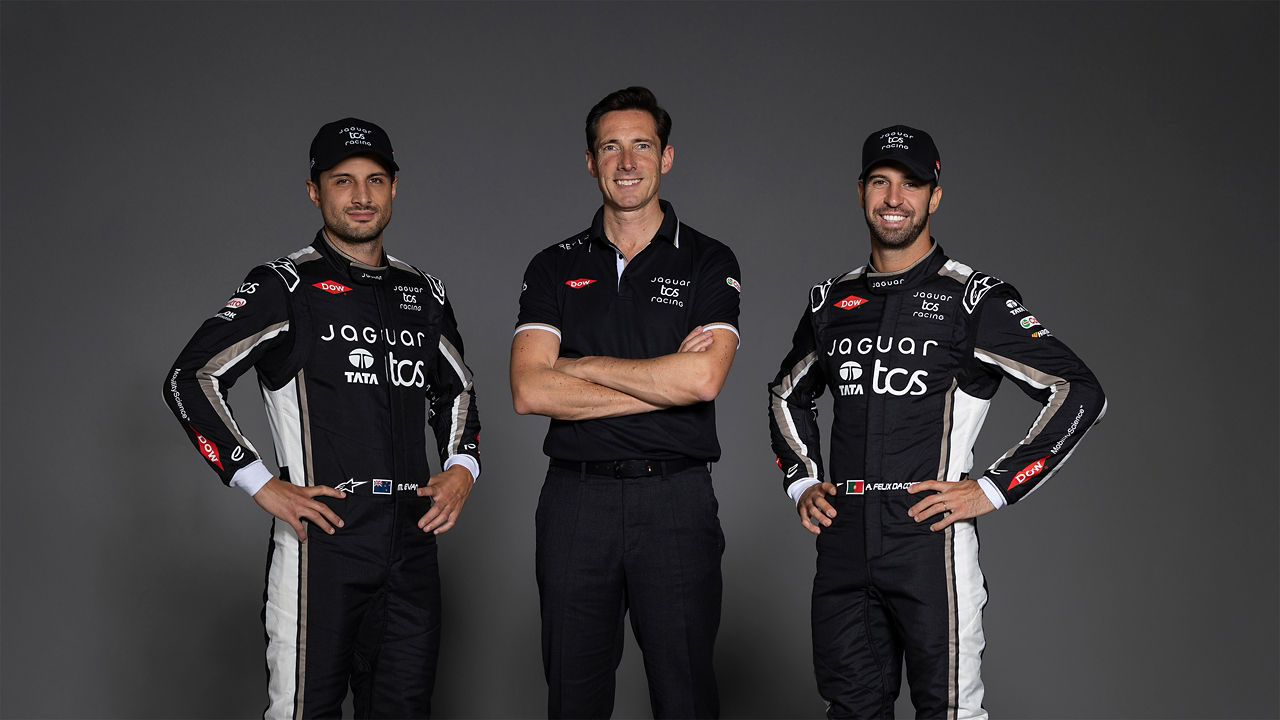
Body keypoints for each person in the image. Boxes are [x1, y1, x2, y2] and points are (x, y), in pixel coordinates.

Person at [767, 125, 1107, 718]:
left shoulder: (973, 297)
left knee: (950, 712)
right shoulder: (830, 301)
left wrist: (994, 489)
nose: (894, 198)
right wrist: (802, 479)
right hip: (844, 542)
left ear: (935, 196)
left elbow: (1079, 391)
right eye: (880, 182)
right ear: (860, 192)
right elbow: (785, 394)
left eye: (911, 184)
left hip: (930, 542)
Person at [163, 117, 481, 719]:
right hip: (322, 539)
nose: (361, 196)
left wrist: (463, 466)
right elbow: (190, 378)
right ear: (315, 191)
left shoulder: (423, 292)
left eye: (375, 180)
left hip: (412, 542)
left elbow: (457, 390)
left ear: (394, 188)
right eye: (342, 181)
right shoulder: (285, 285)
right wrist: (259, 481)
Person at [510, 86, 741, 719]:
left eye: (642, 145)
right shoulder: (552, 266)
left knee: (686, 696)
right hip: (575, 501)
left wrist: (581, 365)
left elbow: (703, 381)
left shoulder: (709, 259)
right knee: (574, 698)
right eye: (611, 147)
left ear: (667, 157)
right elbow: (529, 390)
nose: (627, 162)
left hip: (676, 500)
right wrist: (661, 381)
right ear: (591, 161)